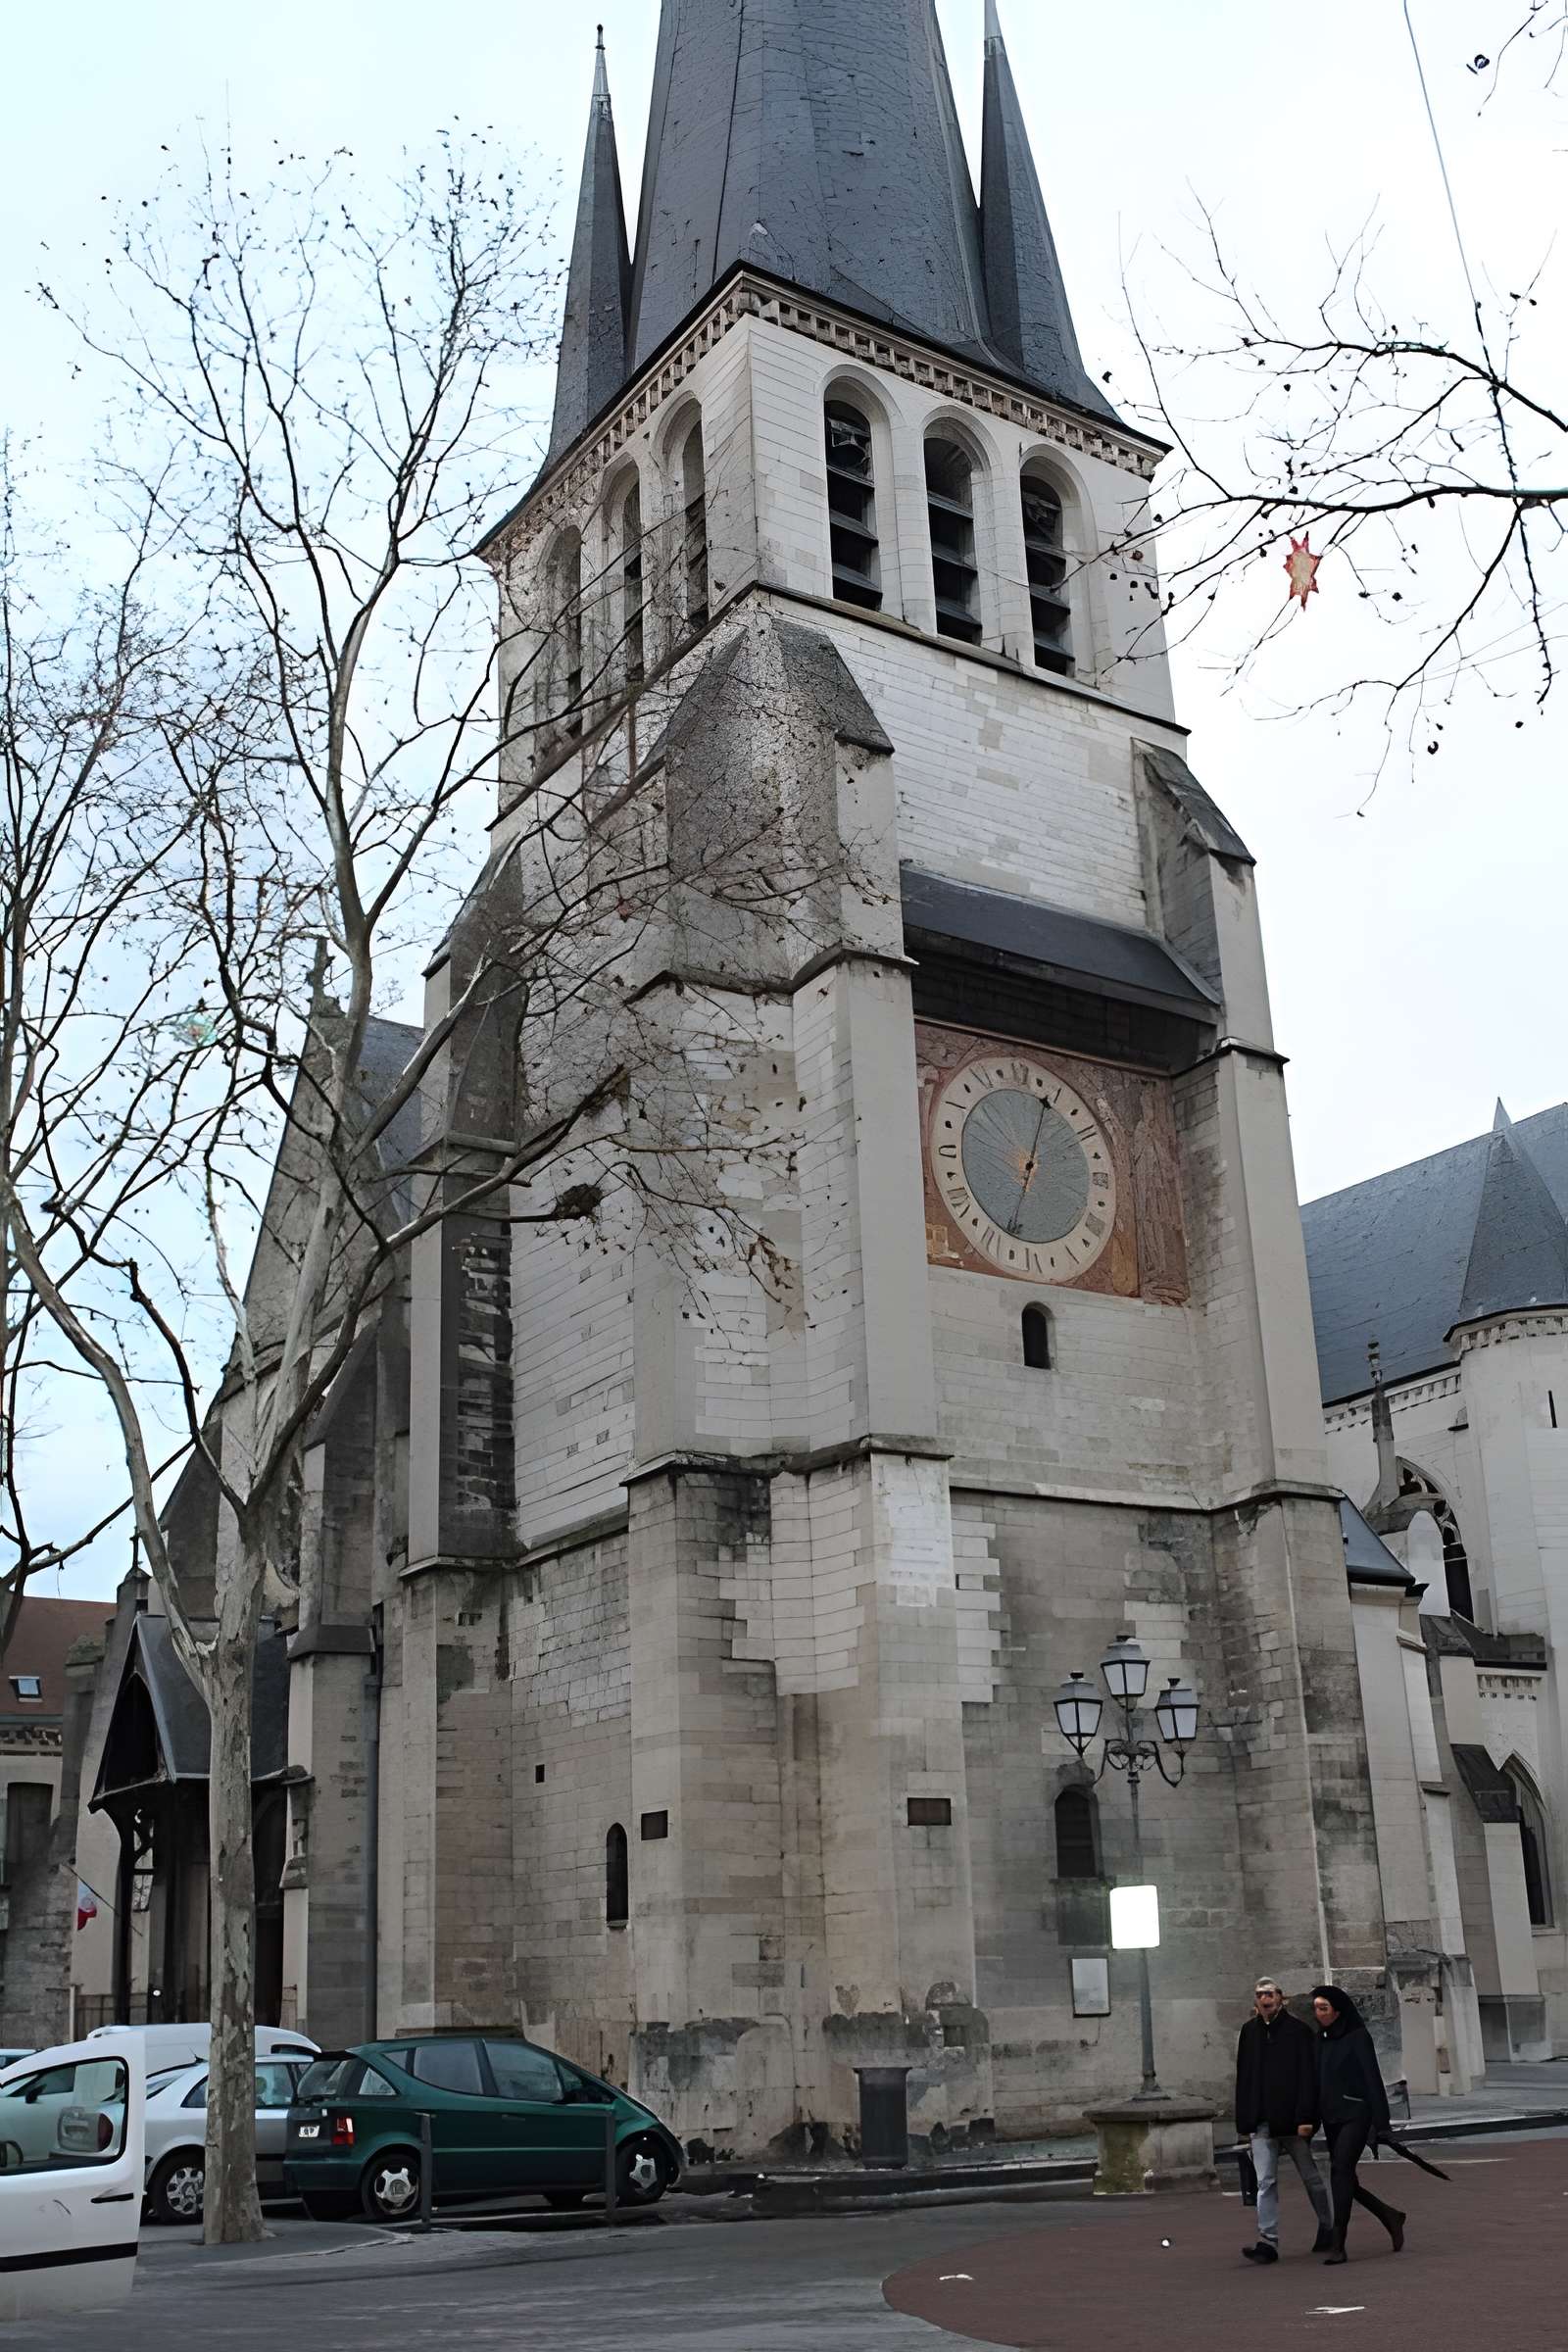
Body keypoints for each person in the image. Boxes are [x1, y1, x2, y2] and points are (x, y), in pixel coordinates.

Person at [1235, 1977, 1334, 2264]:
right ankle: (1268, 2241)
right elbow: (1245, 2077)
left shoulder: (1298, 2032)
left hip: (1292, 2119)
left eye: (1270, 1994)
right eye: (1259, 1994)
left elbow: (1307, 2077)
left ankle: (1328, 2225)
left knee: (1310, 2177)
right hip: (1262, 2119)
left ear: (1281, 1998)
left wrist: (1306, 2117)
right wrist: (1245, 2120)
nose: (1265, 1999)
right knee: (1265, 2181)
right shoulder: (1249, 2032)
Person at [1310, 1984, 1405, 2265]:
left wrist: (1382, 2124)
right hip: (1331, 2116)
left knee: (1340, 2170)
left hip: (1356, 2113)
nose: (1319, 2014)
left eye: (1324, 2008)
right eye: (1316, 2009)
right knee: (1344, 2178)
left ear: (1338, 2011)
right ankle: (1390, 2215)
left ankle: (1338, 2243)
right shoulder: (1319, 2039)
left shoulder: (1357, 2037)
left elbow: (1372, 2079)